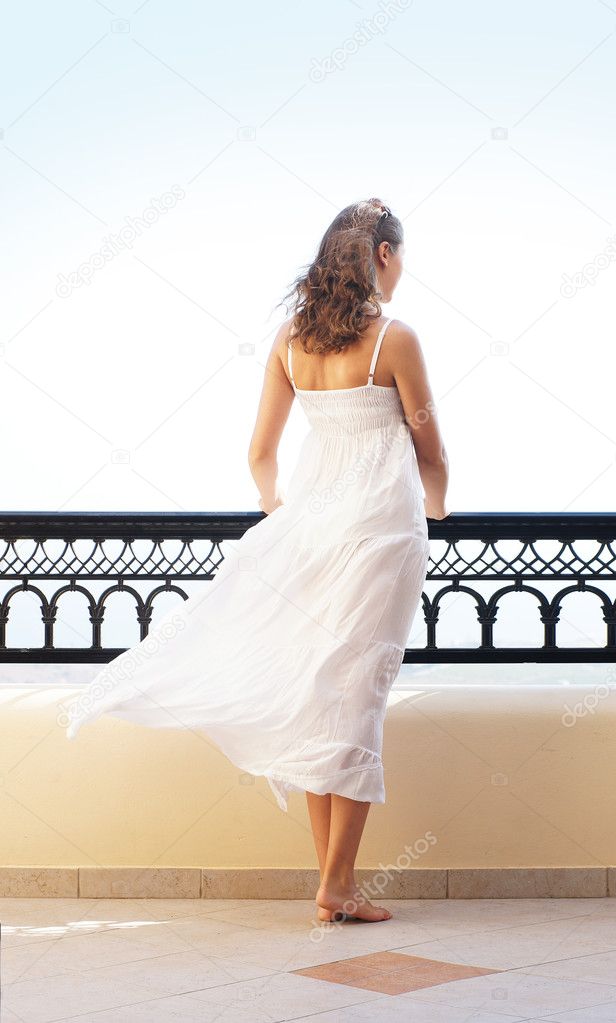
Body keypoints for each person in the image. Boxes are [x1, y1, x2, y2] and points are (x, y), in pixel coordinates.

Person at [63, 197, 449, 926]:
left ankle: (335, 881)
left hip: (312, 534)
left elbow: (259, 456)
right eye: (401, 257)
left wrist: (286, 517)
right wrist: (438, 505)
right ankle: (338, 886)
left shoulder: (290, 340)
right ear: (384, 256)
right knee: (358, 697)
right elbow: (431, 448)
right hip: (381, 539)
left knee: (320, 694)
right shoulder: (395, 339)